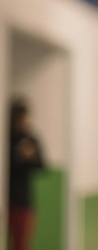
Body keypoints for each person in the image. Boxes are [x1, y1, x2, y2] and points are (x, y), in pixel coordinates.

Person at [8, 97, 45, 250]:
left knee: (21, 244)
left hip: (24, 200)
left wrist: (30, 156)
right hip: (7, 198)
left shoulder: (30, 138)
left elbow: (41, 166)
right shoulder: (7, 138)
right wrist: (18, 156)